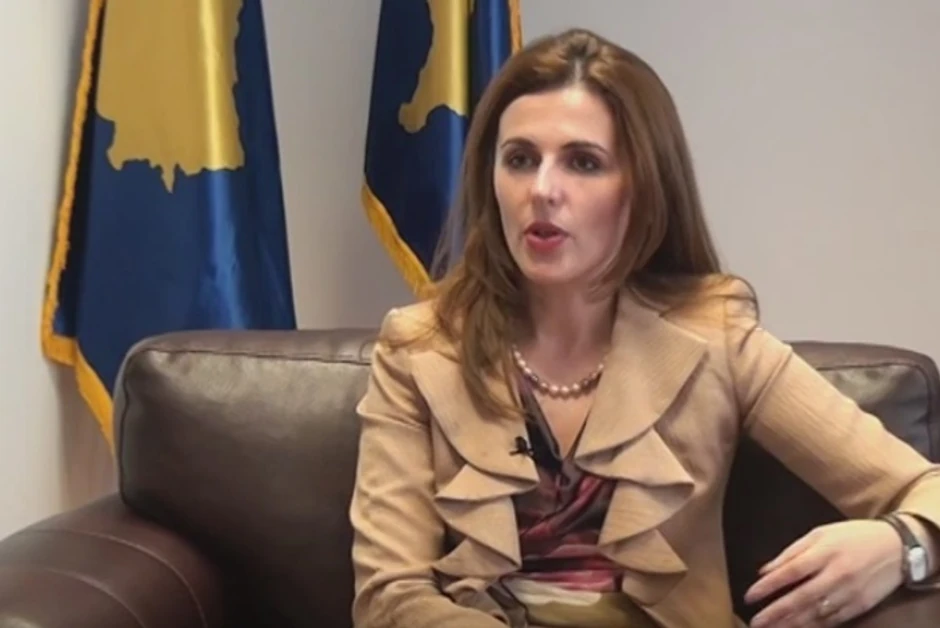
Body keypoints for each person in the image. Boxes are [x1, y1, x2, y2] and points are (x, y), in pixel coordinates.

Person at [347, 27, 940, 628]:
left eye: (583, 162)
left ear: (645, 186)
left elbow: (926, 488)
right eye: (520, 159)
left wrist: (904, 545)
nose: (542, 190)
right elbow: (390, 595)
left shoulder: (715, 337)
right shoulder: (419, 349)